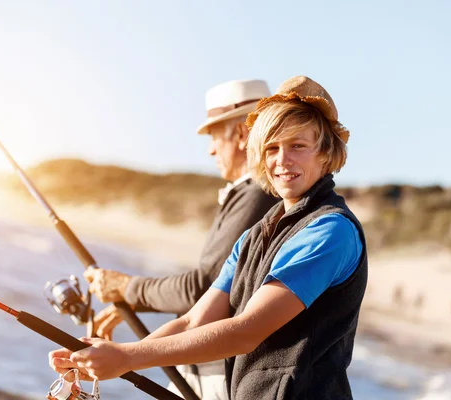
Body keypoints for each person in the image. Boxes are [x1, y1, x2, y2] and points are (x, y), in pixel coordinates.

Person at [50, 75, 368, 399]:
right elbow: (192, 322)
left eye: (297, 146)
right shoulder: (254, 237)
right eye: (272, 148)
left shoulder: (329, 231)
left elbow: (247, 331)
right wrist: (110, 355)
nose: (282, 160)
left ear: (325, 154)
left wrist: (129, 357)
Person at [83, 79, 279, 399]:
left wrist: (127, 288)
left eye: (215, 136)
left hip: (221, 375)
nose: (211, 149)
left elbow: (202, 288)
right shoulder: (250, 194)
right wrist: (134, 302)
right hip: (211, 369)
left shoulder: (257, 194)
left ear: (243, 135)